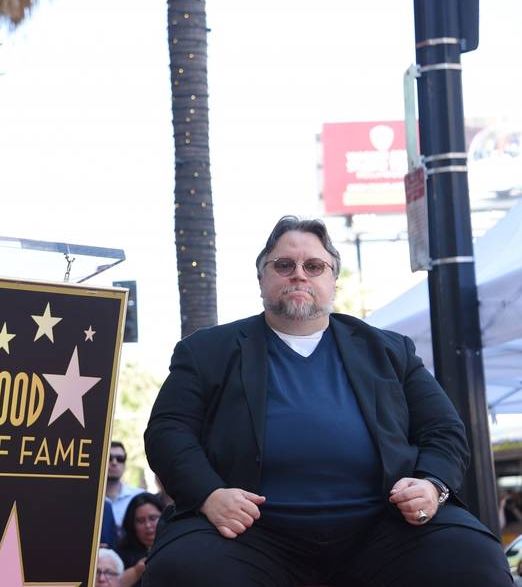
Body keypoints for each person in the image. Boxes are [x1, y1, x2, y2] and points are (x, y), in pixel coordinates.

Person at [143, 216, 513, 586]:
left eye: (314, 266)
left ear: (333, 279)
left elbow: (444, 430)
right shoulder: (207, 351)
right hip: (250, 533)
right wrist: (210, 494)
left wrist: (431, 485)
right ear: (261, 279)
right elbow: (168, 430)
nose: (298, 275)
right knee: (184, 569)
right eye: (283, 265)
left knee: (473, 559)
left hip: (384, 527)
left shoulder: (389, 350)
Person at [116, 492, 162, 587]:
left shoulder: (178, 546)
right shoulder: (120, 556)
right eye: (140, 521)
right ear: (132, 525)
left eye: (153, 518)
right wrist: (136, 572)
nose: (148, 525)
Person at [106, 441, 143, 532]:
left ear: (125, 464)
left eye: (120, 459)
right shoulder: (88, 497)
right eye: (108, 458)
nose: (114, 462)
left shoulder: (139, 496)